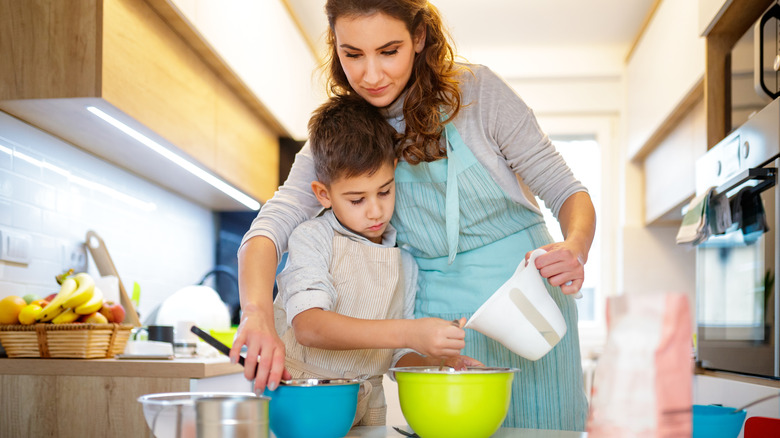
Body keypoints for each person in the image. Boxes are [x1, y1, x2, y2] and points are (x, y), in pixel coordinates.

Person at [231, 0, 596, 431]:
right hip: (431, 320)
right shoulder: (346, 133)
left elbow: (566, 190)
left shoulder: (477, 94)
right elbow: (275, 223)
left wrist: (575, 248)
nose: (371, 75)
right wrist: (255, 311)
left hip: (529, 304)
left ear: (418, 37)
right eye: (352, 54)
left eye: (389, 51)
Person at [272, 94, 475, 426]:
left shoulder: (404, 262)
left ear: (394, 171)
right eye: (356, 199)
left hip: (369, 407)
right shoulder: (312, 237)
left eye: (384, 191)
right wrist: (410, 332)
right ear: (324, 194)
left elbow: (396, 358)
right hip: (305, 400)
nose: (376, 211)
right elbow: (309, 327)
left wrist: (432, 358)